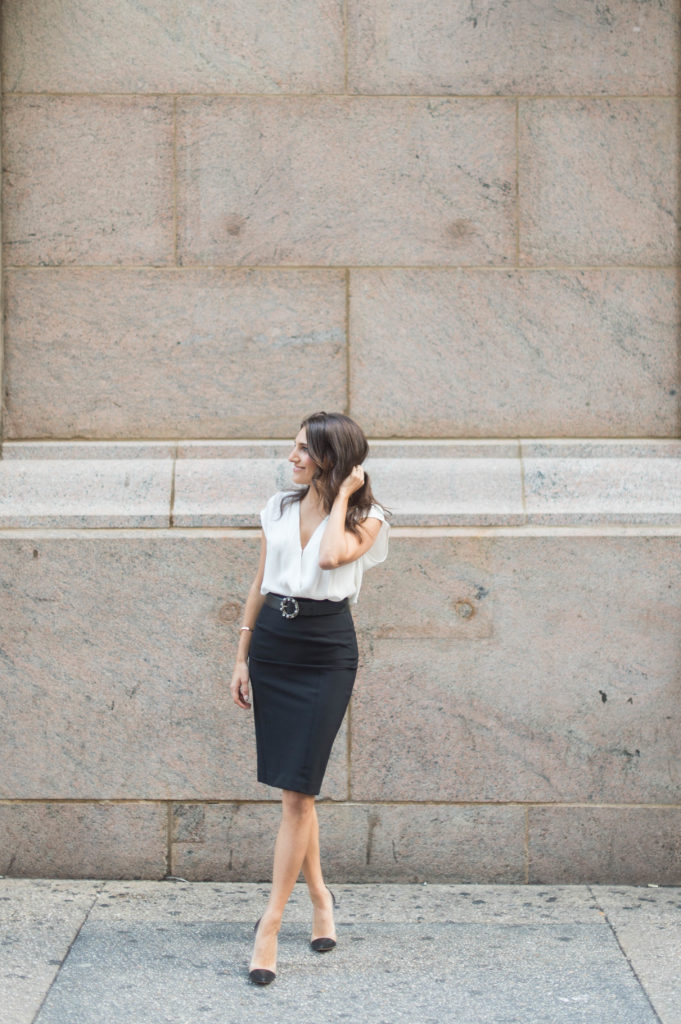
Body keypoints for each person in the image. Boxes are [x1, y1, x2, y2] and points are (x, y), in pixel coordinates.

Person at [230, 411, 390, 985]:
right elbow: (261, 580)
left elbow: (328, 559)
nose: (291, 458)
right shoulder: (276, 508)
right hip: (273, 644)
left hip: (325, 652)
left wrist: (346, 492)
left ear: (332, 457)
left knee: (299, 790)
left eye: (304, 450)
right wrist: (241, 655)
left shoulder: (367, 518)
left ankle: (269, 923)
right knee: (298, 792)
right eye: (293, 448)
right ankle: (320, 898)